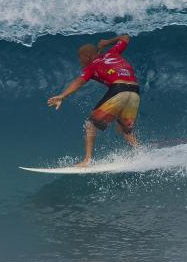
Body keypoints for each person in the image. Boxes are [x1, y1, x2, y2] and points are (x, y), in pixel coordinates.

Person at [47, 34, 140, 166]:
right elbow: (125, 37)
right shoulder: (113, 53)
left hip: (119, 89)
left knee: (90, 124)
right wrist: (108, 41)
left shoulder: (91, 66)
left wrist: (63, 95)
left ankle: (87, 160)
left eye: (81, 59)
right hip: (134, 91)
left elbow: (79, 81)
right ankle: (140, 152)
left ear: (87, 56)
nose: (80, 62)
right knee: (123, 128)